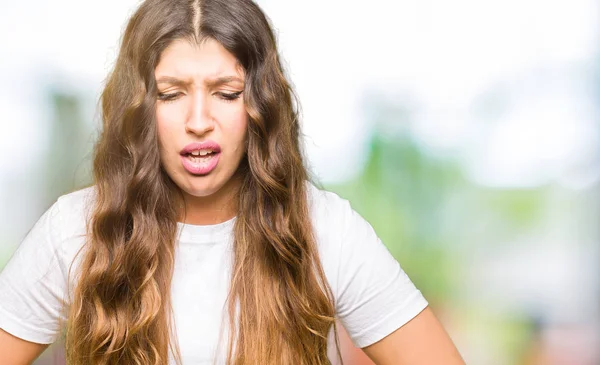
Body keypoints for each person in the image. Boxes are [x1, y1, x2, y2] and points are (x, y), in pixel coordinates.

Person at [0, 0, 466, 364]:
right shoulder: (75, 229)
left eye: (226, 93)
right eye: (170, 94)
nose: (199, 120)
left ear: (260, 105)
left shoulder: (325, 229)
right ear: (139, 110)